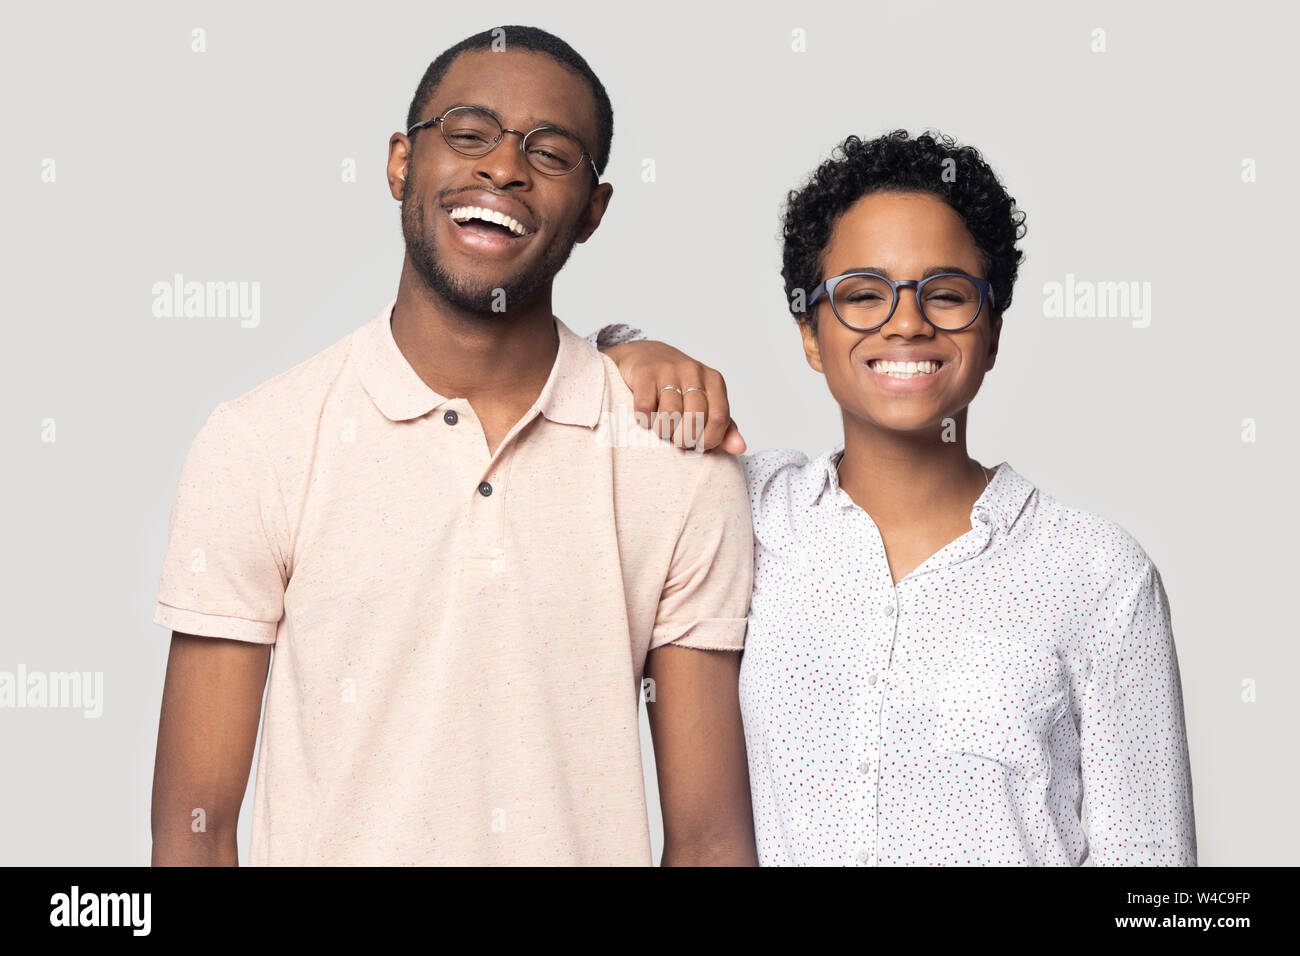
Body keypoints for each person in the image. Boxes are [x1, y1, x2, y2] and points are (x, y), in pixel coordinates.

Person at [149, 25, 759, 866]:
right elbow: (195, 833)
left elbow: (711, 841)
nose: (502, 168)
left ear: (593, 209)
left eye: (549, 153)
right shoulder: (260, 444)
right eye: (467, 135)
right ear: (402, 163)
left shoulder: (677, 461)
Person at [596, 129, 1197, 865]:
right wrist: (626, 348)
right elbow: (569, 426)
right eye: (863, 295)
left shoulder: (1098, 572)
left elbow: (1154, 872)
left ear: (993, 331)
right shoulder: (741, 514)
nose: (906, 322)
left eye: (945, 294)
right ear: (811, 337)